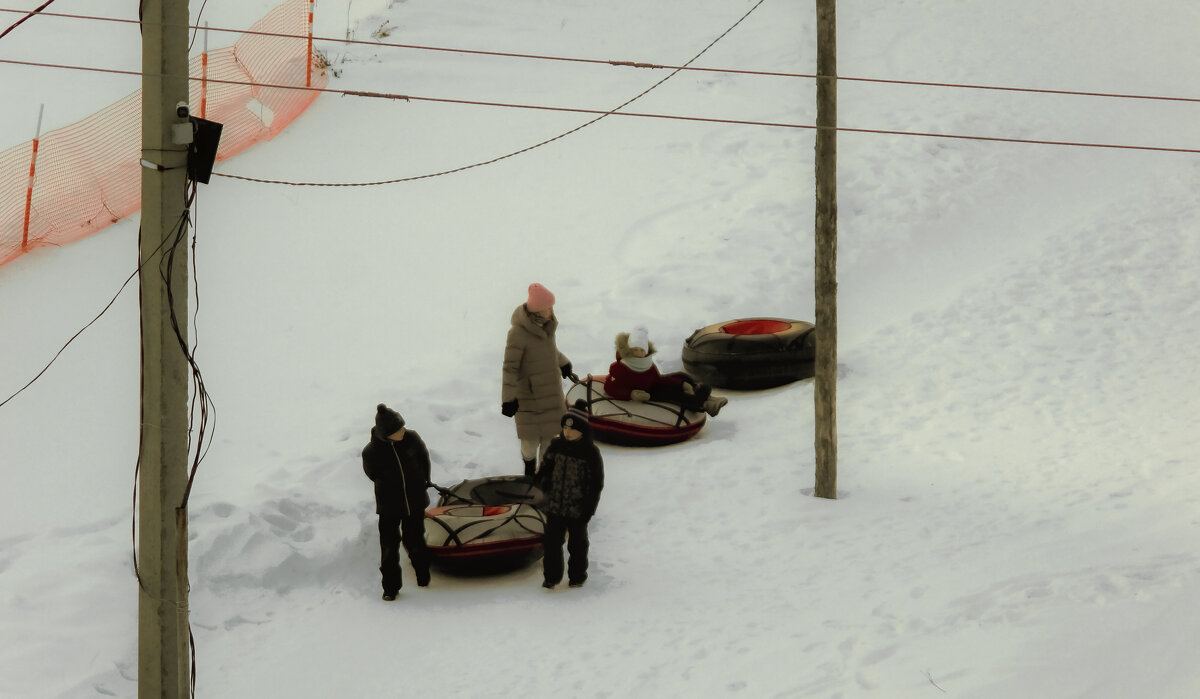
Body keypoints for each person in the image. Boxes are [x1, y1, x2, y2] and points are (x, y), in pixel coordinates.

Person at [501, 283, 574, 477]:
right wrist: (508, 399)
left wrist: (564, 363)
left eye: (552, 307)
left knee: (551, 441)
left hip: (551, 395)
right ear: (536, 309)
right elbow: (510, 368)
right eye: (547, 307)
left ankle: (543, 480)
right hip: (529, 398)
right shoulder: (518, 333)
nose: (551, 311)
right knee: (530, 443)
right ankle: (529, 469)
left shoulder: (547, 328)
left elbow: (550, 352)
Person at [361, 403, 432, 601]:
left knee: (415, 540)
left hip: (415, 502)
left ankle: (423, 576)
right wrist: (391, 488)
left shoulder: (412, 439)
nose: (403, 431)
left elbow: (424, 459)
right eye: (398, 429)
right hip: (389, 507)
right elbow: (372, 474)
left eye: (402, 427)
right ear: (387, 434)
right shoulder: (371, 452)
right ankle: (390, 588)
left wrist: (423, 481)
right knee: (389, 548)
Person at [536, 404, 603, 589]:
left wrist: (589, 508)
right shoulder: (557, 445)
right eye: (565, 428)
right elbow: (546, 467)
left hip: (578, 509)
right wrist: (540, 485)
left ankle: (577, 576)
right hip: (555, 505)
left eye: (572, 429)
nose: (567, 432)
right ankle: (551, 577)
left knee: (578, 545)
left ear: (582, 430)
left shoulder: (590, 452)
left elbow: (596, 484)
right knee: (551, 543)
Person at [603, 326, 728, 416]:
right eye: (635, 349)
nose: (638, 353)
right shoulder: (620, 368)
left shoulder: (648, 365)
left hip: (653, 387)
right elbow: (609, 386)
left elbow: (657, 380)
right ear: (629, 350)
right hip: (647, 395)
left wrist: (681, 383)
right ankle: (704, 404)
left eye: (642, 350)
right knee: (672, 394)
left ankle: (708, 397)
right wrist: (630, 394)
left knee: (681, 376)